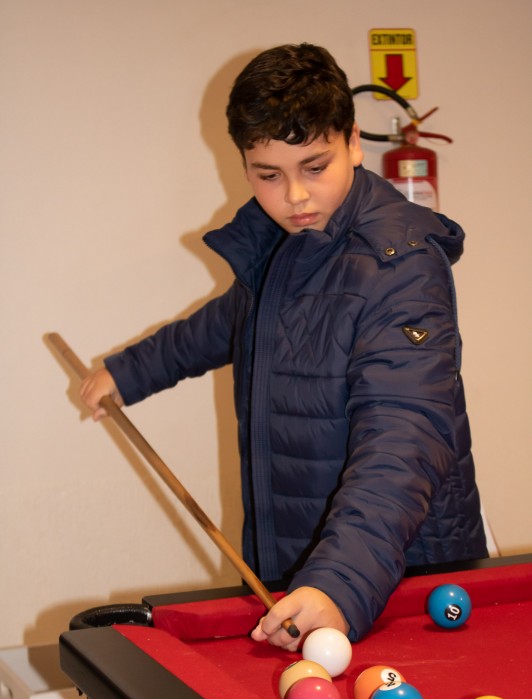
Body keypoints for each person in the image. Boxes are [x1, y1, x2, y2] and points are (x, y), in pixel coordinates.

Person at [80, 43, 488, 651]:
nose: (295, 196)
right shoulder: (285, 245)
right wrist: (128, 372)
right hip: (300, 560)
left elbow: (404, 436)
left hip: (401, 578)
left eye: (315, 167)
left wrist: (342, 582)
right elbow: (231, 323)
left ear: (354, 143)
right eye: (269, 175)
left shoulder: (402, 266)